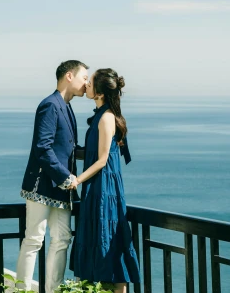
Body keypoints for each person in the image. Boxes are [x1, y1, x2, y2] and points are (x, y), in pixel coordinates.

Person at [16, 60, 89, 292]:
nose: (86, 82)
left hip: (61, 186)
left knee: (62, 239)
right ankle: (22, 291)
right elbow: (43, 147)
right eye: (84, 77)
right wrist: (65, 177)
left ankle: (54, 290)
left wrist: (102, 153)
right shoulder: (49, 105)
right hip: (42, 184)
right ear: (69, 76)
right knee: (34, 240)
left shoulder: (66, 106)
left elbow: (68, 147)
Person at [71, 68, 140, 293]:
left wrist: (77, 180)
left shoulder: (106, 118)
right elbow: (93, 153)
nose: (86, 86)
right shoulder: (102, 116)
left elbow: (101, 160)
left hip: (103, 188)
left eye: (90, 83)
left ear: (100, 93)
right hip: (98, 186)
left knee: (111, 239)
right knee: (101, 237)